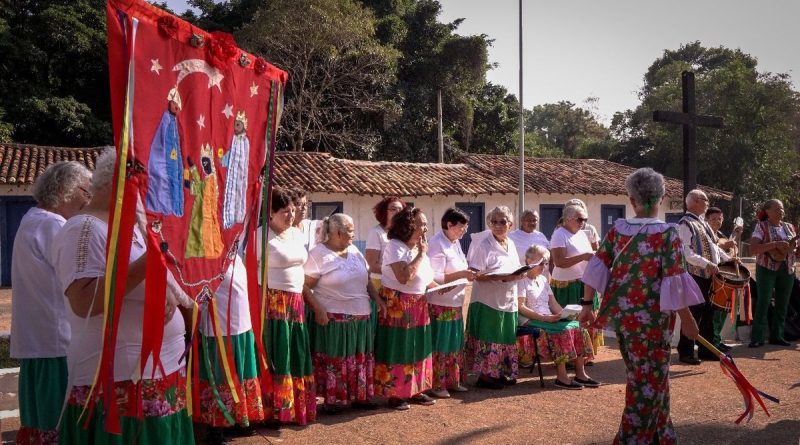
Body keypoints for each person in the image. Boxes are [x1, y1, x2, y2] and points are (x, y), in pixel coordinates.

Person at [52, 149, 193, 443]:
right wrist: (148, 263)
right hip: (119, 386)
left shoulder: (134, 226)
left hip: (154, 377)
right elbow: (83, 301)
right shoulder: (84, 228)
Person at [580, 167, 703, 444]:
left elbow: (596, 266)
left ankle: (662, 435)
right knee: (647, 381)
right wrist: (689, 322)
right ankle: (632, 438)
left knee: (645, 376)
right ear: (660, 198)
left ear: (632, 199)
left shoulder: (618, 231)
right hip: (654, 322)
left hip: (624, 318)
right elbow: (674, 279)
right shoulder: (667, 234)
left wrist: (587, 304)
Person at [10, 161, 91, 444]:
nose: (88, 200)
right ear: (69, 190)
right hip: (57, 340)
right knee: (58, 421)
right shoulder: (53, 224)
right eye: (86, 191)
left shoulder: (33, 219)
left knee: (40, 418)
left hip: (41, 338)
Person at [303, 213, 385, 413]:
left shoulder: (355, 250)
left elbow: (366, 280)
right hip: (334, 319)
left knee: (359, 358)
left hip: (361, 317)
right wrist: (318, 308)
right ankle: (333, 399)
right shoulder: (318, 254)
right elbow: (304, 286)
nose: (353, 233)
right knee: (336, 359)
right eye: (350, 230)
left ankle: (360, 396)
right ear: (338, 232)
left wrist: (378, 299)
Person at [197, 255, 263, 444]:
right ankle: (216, 425)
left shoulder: (237, 257)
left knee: (243, 373)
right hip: (218, 328)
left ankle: (240, 417)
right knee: (220, 376)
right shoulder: (207, 258)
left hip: (242, 325)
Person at [263, 187, 316, 426]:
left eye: (293, 210)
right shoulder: (261, 236)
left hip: (295, 303)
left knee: (296, 352)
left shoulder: (296, 234)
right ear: (271, 212)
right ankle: (272, 410)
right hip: (273, 303)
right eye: (285, 211)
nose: (291, 215)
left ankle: (294, 408)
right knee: (277, 351)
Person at [374, 207, 436, 410]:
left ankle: (416, 389)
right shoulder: (395, 246)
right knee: (399, 346)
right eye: (422, 223)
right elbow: (404, 276)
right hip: (398, 304)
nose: (425, 228)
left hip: (418, 303)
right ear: (409, 225)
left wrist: (440, 286)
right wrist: (420, 254)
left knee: (418, 344)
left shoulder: (419, 247)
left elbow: (424, 277)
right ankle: (395, 394)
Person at [518, 245, 597, 390]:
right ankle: (561, 377)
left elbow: (553, 304)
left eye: (546, 262)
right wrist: (543, 318)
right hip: (533, 320)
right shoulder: (520, 280)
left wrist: (566, 314)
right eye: (540, 262)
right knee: (562, 332)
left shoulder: (543, 280)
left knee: (579, 327)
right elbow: (521, 307)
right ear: (528, 260)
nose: (544, 266)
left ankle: (580, 373)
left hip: (549, 318)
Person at [465, 206, 525, 390]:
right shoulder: (484, 245)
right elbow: (475, 274)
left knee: (504, 337)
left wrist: (520, 274)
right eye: (494, 222)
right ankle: (486, 376)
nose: (498, 225)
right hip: (487, 301)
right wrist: (502, 277)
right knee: (490, 336)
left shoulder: (512, 244)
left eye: (502, 222)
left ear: (510, 224)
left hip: (508, 299)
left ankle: (499, 372)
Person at [676, 189, 731, 364]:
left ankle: (707, 351)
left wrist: (729, 259)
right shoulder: (685, 224)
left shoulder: (702, 222)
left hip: (707, 276)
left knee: (708, 312)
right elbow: (685, 253)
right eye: (705, 200)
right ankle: (685, 351)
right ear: (695, 201)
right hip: (694, 275)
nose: (708, 203)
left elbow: (714, 247)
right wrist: (706, 264)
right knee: (694, 313)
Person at [426, 208, 476, 398]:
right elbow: (436, 276)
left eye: (465, 228)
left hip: (455, 302)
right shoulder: (437, 243)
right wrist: (463, 274)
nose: (464, 232)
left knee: (454, 343)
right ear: (449, 225)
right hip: (440, 303)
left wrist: (467, 272)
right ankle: (438, 383)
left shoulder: (454, 243)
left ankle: (453, 379)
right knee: (441, 343)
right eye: (461, 227)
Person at [747, 199, 799, 348]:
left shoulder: (789, 227)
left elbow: (794, 249)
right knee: (764, 301)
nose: (781, 211)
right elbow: (753, 249)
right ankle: (757, 337)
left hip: (787, 269)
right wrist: (775, 244)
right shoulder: (761, 227)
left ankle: (778, 335)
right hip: (766, 268)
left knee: (783, 303)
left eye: (782, 209)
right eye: (777, 209)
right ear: (768, 211)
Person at [705, 207, 743, 352]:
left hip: (724, 277)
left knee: (722, 311)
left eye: (720, 219)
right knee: (714, 312)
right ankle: (712, 342)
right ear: (706, 220)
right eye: (714, 219)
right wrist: (726, 245)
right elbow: (717, 244)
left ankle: (717, 340)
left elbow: (726, 250)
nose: (717, 222)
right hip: (712, 277)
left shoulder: (720, 234)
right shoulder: (706, 234)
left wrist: (733, 256)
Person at [364, 197, 406, 329]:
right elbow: (372, 264)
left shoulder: (404, 233)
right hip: (381, 286)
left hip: (400, 284)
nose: (398, 212)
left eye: (401, 209)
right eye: (393, 209)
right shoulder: (376, 233)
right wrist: (396, 271)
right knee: (383, 324)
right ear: (384, 212)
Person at [550, 205, 594, 307]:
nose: (583, 222)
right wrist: (583, 256)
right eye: (580, 219)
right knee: (570, 319)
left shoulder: (582, 234)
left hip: (585, 282)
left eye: (585, 219)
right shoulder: (559, 234)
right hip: (568, 286)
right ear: (568, 218)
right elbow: (559, 262)